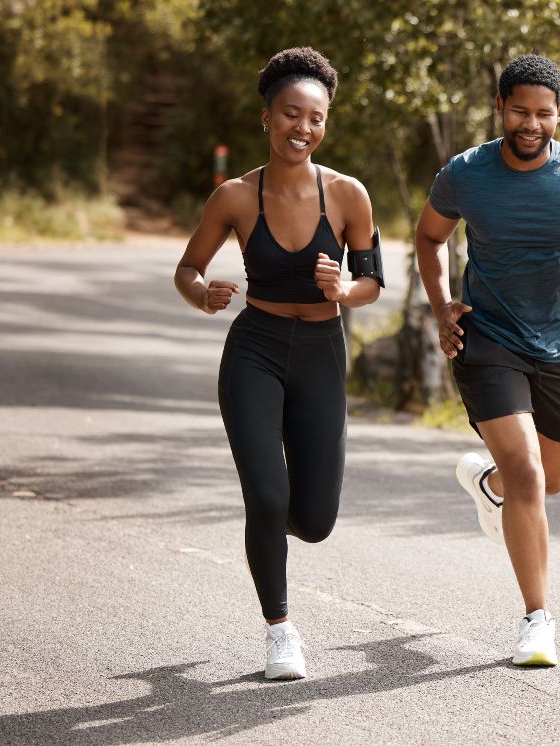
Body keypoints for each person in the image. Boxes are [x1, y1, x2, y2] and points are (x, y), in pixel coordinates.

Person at [415, 54, 560, 667]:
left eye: (544, 113)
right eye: (520, 111)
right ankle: (538, 621)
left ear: (559, 113)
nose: (531, 123)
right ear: (500, 108)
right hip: (487, 340)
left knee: (550, 479)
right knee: (530, 476)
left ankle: (490, 487)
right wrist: (442, 307)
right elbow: (430, 236)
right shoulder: (465, 174)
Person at [173, 47, 384, 680]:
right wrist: (201, 293)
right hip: (255, 350)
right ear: (267, 117)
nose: (303, 128)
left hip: (321, 352)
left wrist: (344, 291)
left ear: (326, 124)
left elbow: (373, 280)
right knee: (266, 496)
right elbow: (187, 267)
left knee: (313, 520)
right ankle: (280, 631)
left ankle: (274, 523)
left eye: (315, 118)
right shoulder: (234, 197)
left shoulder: (348, 196)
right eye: (291, 114)